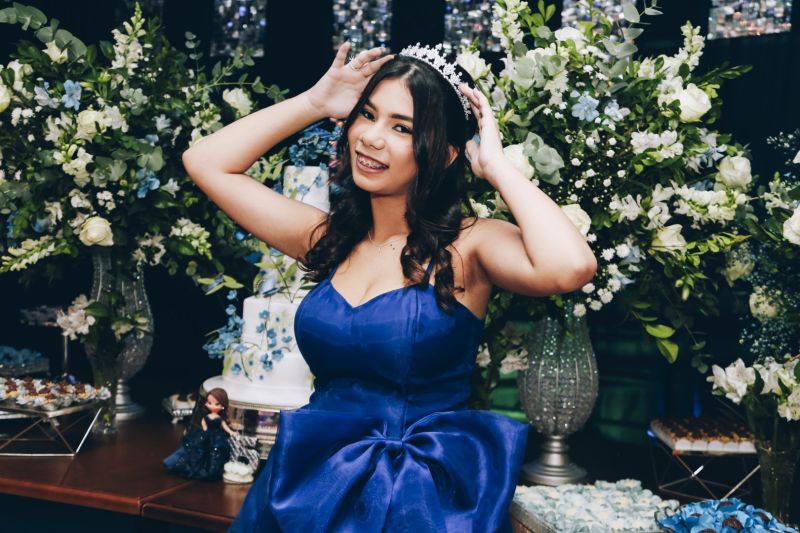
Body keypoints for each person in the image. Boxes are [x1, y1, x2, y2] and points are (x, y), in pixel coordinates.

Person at [183, 41, 597, 532]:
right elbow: (205, 162)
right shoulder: (327, 239)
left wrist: (496, 167)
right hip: (309, 483)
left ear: (445, 153)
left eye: (402, 128)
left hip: (419, 496)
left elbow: (570, 266)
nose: (371, 138)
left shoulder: (471, 245)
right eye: (368, 115)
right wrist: (315, 102)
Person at [163, 387, 236, 480]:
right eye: (209, 403)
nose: (212, 406)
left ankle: (211, 471)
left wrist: (231, 432)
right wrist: (204, 429)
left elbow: (225, 426)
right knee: (195, 448)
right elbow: (203, 423)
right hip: (205, 434)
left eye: (216, 404)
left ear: (223, 405)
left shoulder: (220, 418)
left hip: (216, 436)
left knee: (215, 451)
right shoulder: (207, 416)